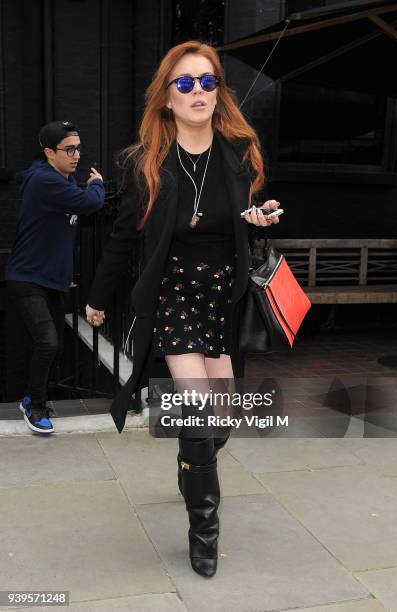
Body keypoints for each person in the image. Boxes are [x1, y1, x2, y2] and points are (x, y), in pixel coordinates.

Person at [86, 41, 280, 577]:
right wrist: (98, 298)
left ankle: (191, 460)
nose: (198, 91)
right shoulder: (145, 162)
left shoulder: (240, 153)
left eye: (208, 81)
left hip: (224, 298)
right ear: (166, 98)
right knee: (196, 415)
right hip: (174, 298)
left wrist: (260, 219)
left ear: (220, 94)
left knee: (220, 420)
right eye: (185, 83)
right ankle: (205, 534)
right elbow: (124, 238)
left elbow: (250, 219)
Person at [6, 120, 105, 434]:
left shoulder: (62, 181)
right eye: (69, 149)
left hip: (50, 278)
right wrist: (98, 183)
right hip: (26, 277)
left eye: (78, 148)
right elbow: (92, 204)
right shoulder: (46, 182)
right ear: (50, 152)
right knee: (47, 342)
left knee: (54, 346)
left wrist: (68, 272)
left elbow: (62, 234)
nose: (76, 155)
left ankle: (31, 398)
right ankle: (35, 406)